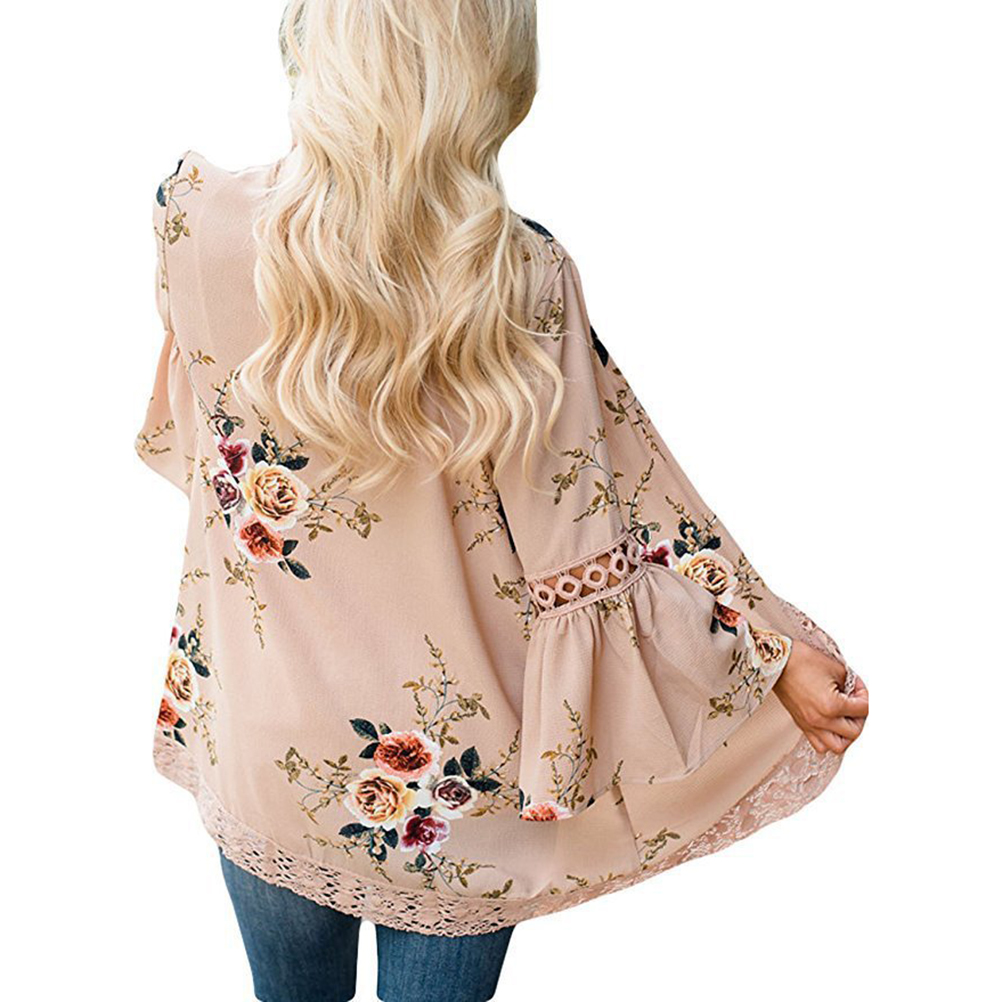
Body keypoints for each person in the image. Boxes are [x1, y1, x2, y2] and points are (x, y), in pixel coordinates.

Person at [134, 2, 869, 1000]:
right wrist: (766, 651)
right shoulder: (519, 277)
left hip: (266, 734)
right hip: (457, 783)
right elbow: (599, 536)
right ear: (486, 74)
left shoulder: (191, 219)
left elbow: (197, 449)